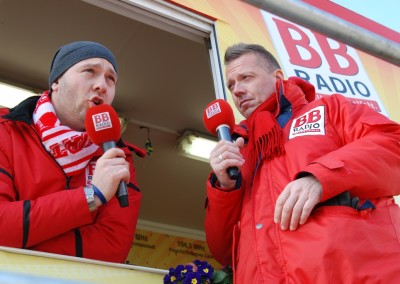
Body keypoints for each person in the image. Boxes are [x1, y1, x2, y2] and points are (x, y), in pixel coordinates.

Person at [205, 43, 400, 283]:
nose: (237, 90)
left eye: (246, 77)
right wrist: (223, 188)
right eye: (231, 85)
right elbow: (223, 251)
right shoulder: (239, 150)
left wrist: (321, 178)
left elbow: (394, 144)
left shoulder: (330, 109)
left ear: (278, 77)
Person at [0, 41, 145, 263]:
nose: (102, 86)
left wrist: (23, 239)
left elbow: (112, 250)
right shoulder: (5, 131)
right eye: (89, 71)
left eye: (111, 79)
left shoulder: (118, 157)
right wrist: (92, 196)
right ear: (56, 81)